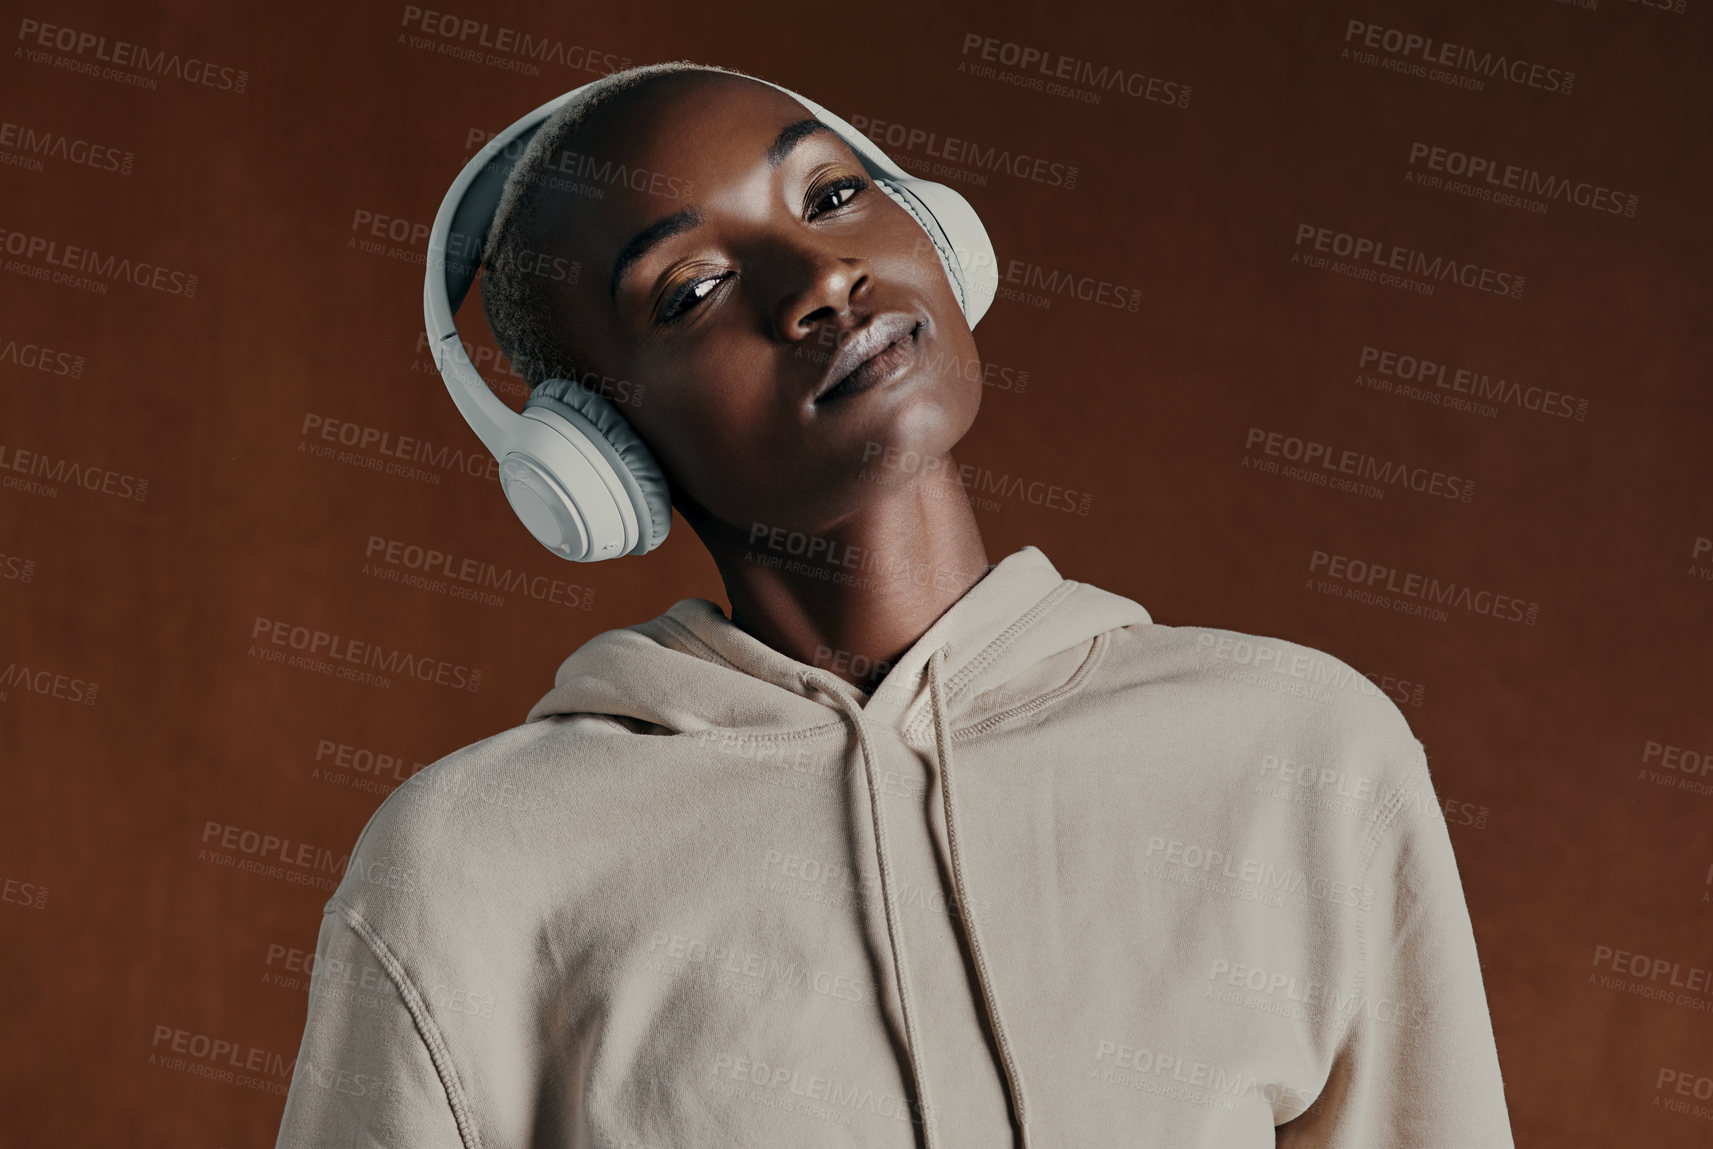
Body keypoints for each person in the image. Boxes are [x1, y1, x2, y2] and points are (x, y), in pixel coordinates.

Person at [276, 61, 1515, 1148]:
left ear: (941, 237)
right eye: (688, 291)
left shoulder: (1302, 753)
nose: (820, 278)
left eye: (829, 197)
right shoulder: (472, 867)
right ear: (597, 453)